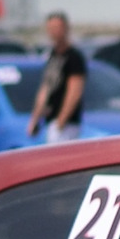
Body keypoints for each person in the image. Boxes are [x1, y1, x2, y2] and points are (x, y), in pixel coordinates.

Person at [27, 11, 86, 143]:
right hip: (50, 120)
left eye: (57, 28)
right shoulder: (52, 55)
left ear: (66, 29)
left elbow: (75, 90)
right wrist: (35, 119)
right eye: (51, 28)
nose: (54, 32)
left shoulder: (73, 57)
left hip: (66, 124)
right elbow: (46, 87)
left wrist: (61, 121)